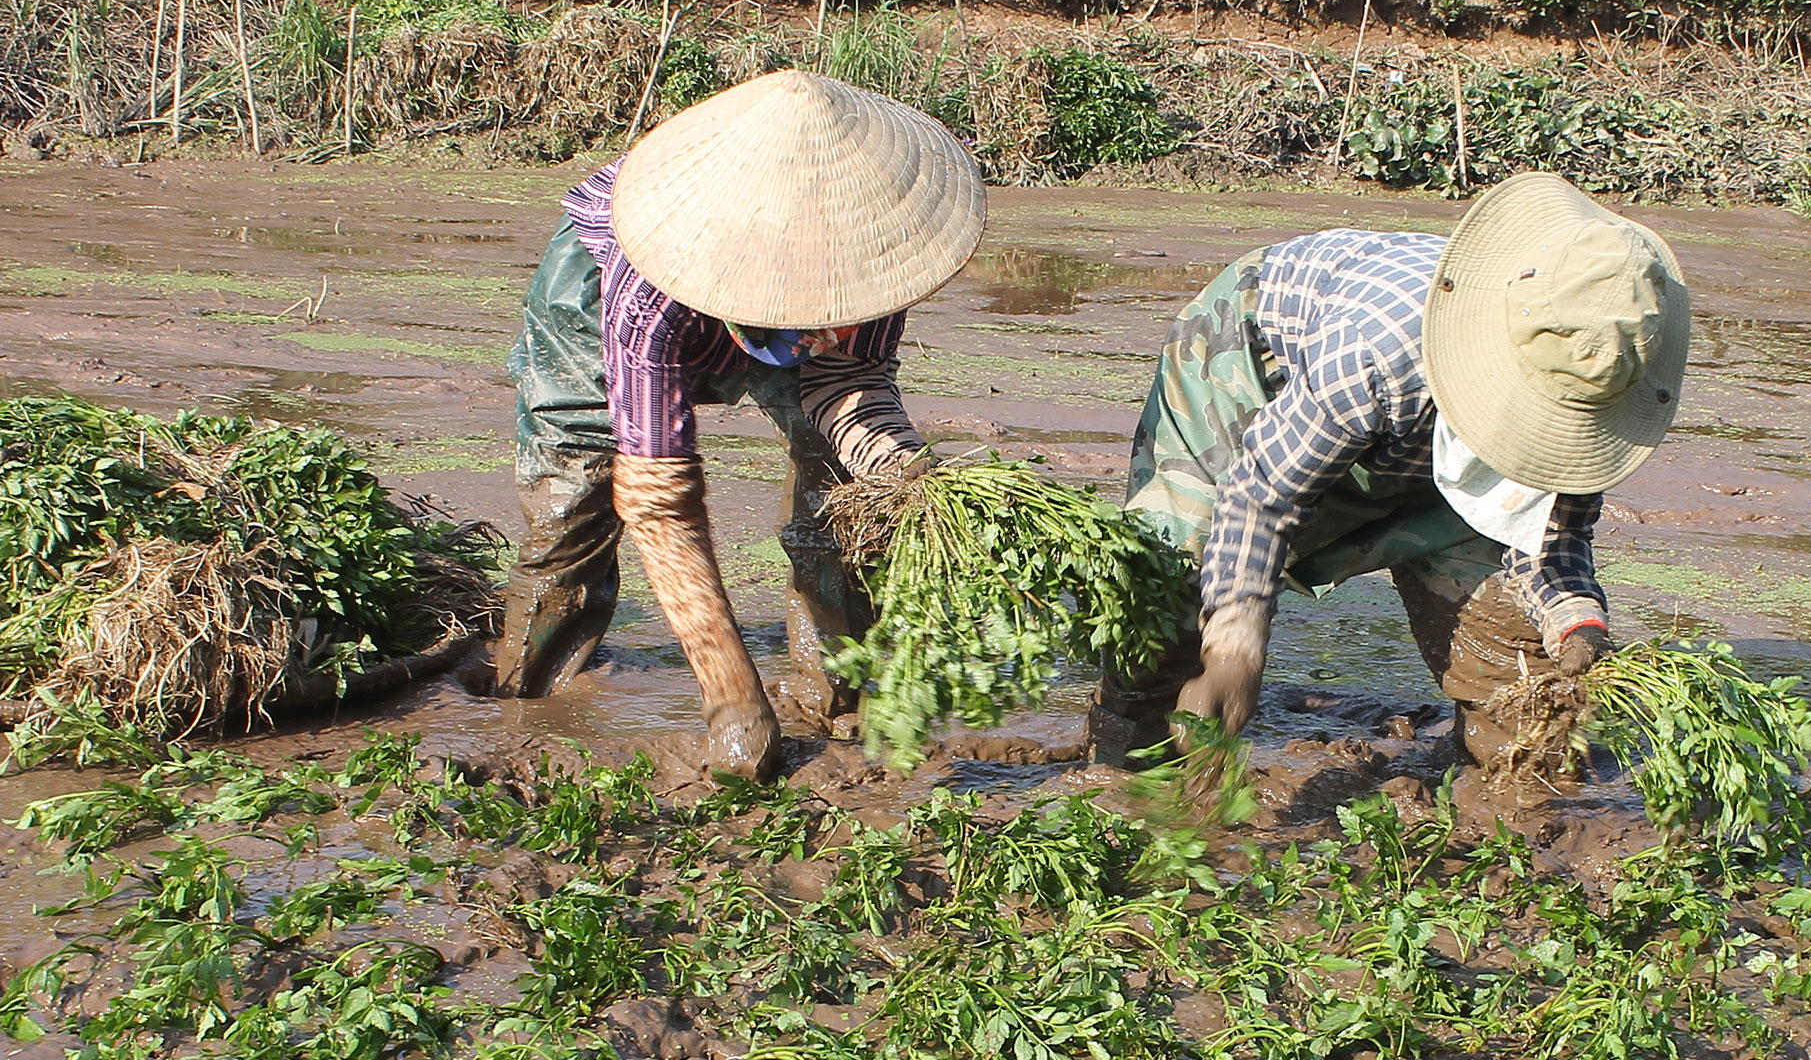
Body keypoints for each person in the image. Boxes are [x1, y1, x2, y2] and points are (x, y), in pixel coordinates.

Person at [1092, 171, 1688, 770]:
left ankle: (1513, 801)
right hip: (1255, 366)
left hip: (1405, 423)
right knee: (1175, 590)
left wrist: (1576, 619)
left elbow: (1552, 530)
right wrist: (1235, 644)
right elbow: (1262, 493)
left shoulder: (1604, 372)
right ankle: (1125, 765)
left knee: (1522, 683)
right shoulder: (1376, 351)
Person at [483, 70, 984, 781]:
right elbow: (658, 499)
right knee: (576, 498)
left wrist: (903, 471)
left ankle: (838, 697)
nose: (822, 329)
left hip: (787, 282)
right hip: (609, 297)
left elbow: (849, 385)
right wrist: (731, 698)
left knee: (843, 493)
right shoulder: (647, 286)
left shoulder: (874, 256)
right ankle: (529, 700)